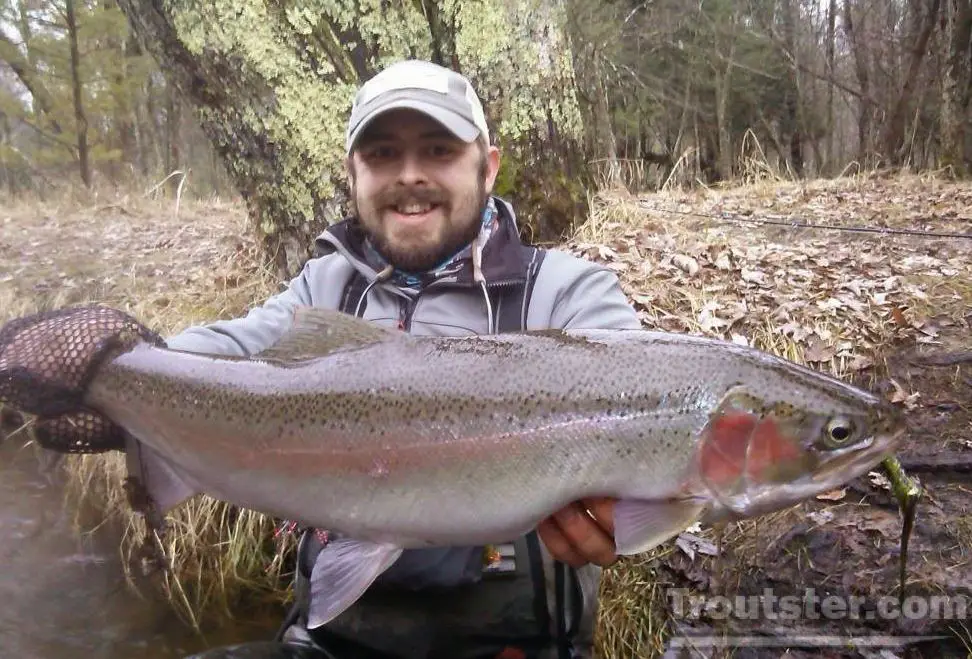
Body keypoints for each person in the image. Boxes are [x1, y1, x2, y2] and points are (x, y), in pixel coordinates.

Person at [6, 58, 640, 659]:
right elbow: (225, 352)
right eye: (382, 154)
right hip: (333, 643)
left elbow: (640, 403)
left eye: (439, 151)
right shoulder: (324, 287)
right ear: (354, 173)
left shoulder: (567, 294)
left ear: (489, 166)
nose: (409, 174)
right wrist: (116, 367)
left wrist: (629, 516)